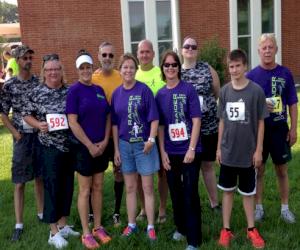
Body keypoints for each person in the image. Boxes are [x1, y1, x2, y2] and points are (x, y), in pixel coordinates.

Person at [23, 54, 79, 248]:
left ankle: (63, 225)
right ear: (44, 72)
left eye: (56, 69)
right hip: (48, 147)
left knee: (66, 186)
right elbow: (25, 114)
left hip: (68, 146)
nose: (53, 72)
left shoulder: (70, 91)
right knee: (52, 187)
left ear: (61, 71)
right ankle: (52, 231)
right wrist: (38, 124)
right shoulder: (36, 92)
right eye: (49, 70)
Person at [217, 49, 268, 248]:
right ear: (228, 68)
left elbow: (262, 122)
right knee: (228, 191)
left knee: (248, 193)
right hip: (229, 152)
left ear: (245, 66)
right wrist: (219, 148)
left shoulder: (255, 91)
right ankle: (226, 229)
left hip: (248, 153)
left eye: (238, 65)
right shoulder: (225, 91)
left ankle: (251, 229)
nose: (235, 69)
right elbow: (222, 121)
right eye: (231, 66)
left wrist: (259, 150)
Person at [247, 33, 298, 223]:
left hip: (279, 129)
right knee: (258, 169)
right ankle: (258, 208)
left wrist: (293, 129)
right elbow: (245, 104)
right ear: (259, 51)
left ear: (276, 50)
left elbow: (292, 102)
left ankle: (285, 207)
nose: (267, 51)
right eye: (264, 48)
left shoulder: (286, 73)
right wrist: (259, 106)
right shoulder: (251, 76)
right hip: (258, 132)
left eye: (271, 47)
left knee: (282, 170)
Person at [156, 51, 202, 250]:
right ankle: (181, 227)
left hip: (190, 150)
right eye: (167, 65)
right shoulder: (160, 94)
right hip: (170, 152)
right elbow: (159, 126)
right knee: (175, 191)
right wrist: (163, 152)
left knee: (190, 192)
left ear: (178, 67)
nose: (171, 68)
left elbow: (196, 120)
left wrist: (191, 148)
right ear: (162, 69)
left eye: (174, 64)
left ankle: (194, 239)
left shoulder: (188, 89)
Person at [111, 53, 159, 240]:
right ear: (120, 70)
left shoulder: (144, 90)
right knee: (130, 187)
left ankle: (150, 226)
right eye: (125, 67)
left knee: (147, 187)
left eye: (132, 67)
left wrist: (151, 140)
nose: (128, 70)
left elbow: (154, 118)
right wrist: (116, 149)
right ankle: (131, 224)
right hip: (124, 145)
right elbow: (114, 124)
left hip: (143, 145)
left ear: (135, 69)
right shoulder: (116, 94)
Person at [66, 50, 111, 249]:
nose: (85, 71)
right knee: (85, 190)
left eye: (88, 67)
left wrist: (104, 141)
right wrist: (90, 145)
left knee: (98, 187)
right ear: (77, 70)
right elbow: (73, 122)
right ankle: (86, 232)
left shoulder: (99, 89)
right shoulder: (74, 91)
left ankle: (98, 227)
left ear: (93, 68)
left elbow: (108, 117)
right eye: (82, 68)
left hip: (101, 147)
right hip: (84, 149)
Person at [0, 45, 44, 241]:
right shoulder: (9, 86)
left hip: (39, 136)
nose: (28, 61)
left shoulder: (38, 83)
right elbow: (2, 111)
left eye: (29, 58)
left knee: (39, 177)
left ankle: (42, 214)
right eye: (24, 58)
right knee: (19, 182)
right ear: (17, 61)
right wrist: (15, 133)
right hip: (21, 138)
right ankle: (19, 224)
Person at [181, 36, 221, 211]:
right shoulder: (176, 71)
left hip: (209, 126)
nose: (190, 49)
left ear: (197, 50)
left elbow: (217, 92)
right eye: (187, 46)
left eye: (193, 46)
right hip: (187, 131)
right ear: (182, 50)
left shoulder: (207, 68)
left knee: (207, 165)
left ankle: (214, 203)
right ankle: (190, 202)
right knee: (189, 168)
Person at [135, 39, 168, 223]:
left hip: (161, 129)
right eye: (141, 52)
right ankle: (143, 208)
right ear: (137, 54)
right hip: (140, 132)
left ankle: (162, 208)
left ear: (153, 54)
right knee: (141, 174)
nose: (145, 55)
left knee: (162, 172)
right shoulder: (134, 73)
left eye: (148, 52)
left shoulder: (161, 73)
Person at [92, 41, 124, 227]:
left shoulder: (120, 77)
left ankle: (117, 212)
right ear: (98, 56)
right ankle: (91, 213)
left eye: (111, 55)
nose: (107, 58)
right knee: (97, 176)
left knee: (119, 172)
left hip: (118, 135)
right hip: (99, 136)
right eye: (104, 55)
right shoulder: (93, 78)